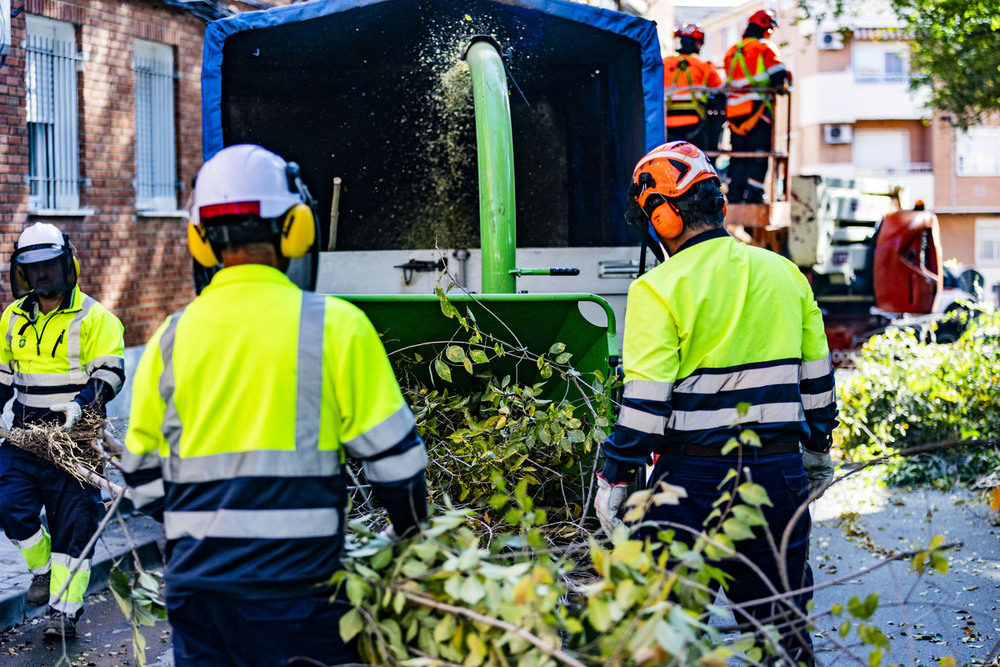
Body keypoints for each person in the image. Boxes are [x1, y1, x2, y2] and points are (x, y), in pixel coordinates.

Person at [119, 143, 429, 667]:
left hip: (199, 596)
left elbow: (141, 481)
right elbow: (399, 470)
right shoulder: (336, 326)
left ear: (200, 241)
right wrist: (414, 550)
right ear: (297, 228)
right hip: (302, 594)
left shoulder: (169, 340)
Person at [595, 141, 837, 665]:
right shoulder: (784, 274)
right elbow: (818, 380)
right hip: (778, 475)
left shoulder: (657, 290)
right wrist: (817, 446)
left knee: (668, 638)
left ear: (663, 215)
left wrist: (614, 477)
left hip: (692, 484)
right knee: (782, 635)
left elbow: (644, 410)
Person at [0, 222, 126, 639]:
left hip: (74, 439)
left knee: (74, 527)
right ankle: (40, 571)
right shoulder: (12, 318)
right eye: (33, 270)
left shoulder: (95, 317)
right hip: (22, 437)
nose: (42, 277)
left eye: (50, 267)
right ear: (22, 273)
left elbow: (109, 373)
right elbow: (2, 376)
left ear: (66, 265)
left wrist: (80, 405)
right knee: (9, 506)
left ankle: (63, 614)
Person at [723, 9, 791, 203]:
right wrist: (785, 85)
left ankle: (734, 196)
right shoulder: (766, 48)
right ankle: (753, 196)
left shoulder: (731, 51)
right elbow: (779, 79)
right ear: (767, 29)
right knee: (759, 155)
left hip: (735, 115)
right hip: (757, 112)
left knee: (738, 157)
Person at [663, 23, 725, 156]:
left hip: (668, 125)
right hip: (695, 124)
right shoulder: (703, 64)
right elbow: (720, 91)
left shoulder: (665, 63)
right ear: (697, 43)